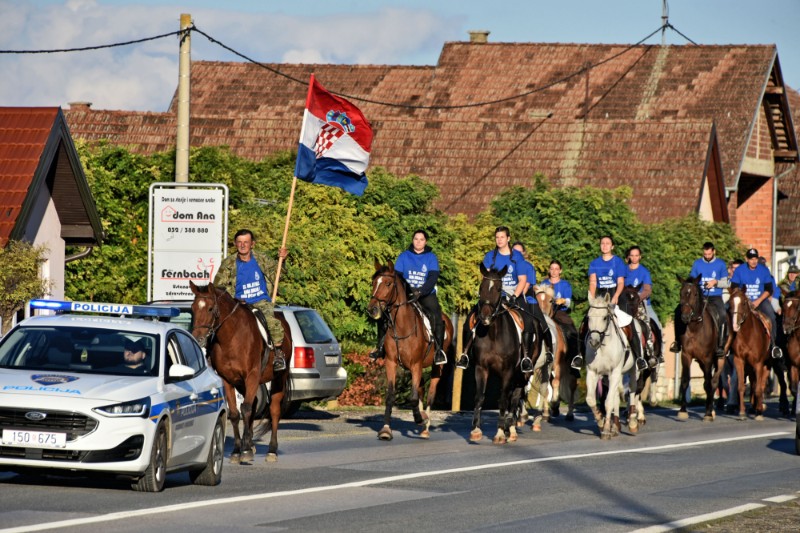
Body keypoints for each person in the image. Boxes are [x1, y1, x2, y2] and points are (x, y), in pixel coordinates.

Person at [456, 226, 534, 371]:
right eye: (497, 237)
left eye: (502, 237)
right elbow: (485, 278)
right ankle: (465, 354)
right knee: (470, 319)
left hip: (512, 293)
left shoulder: (517, 256)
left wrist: (515, 296)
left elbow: (522, 280)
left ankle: (526, 357)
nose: (499, 240)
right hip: (493, 294)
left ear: (508, 239)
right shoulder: (490, 256)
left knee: (528, 321)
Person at [214, 229, 288, 372]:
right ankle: (211, 354)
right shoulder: (228, 263)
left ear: (252, 244)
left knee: (272, 322)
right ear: (235, 244)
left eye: (246, 242)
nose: (242, 245)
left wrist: (282, 261)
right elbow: (218, 286)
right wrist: (232, 299)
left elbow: (278, 275)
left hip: (260, 301)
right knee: (217, 323)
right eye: (239, 242)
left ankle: (278, 354)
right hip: (237, 304)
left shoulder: (261, 259)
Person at [370, 230, 447, 365]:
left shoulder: (431, 257)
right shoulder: (404, 256)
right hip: (406, 295)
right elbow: (397, 277)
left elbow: (433, 277)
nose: (418, 242)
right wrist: (407, 292)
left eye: (421, 239)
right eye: (416, 239)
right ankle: (380, 347)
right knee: (384, 316)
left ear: (425, 242)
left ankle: (439, 351)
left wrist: (421, 291)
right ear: (412, 240)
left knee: (436, 314)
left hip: (426, 294)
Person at [571, 235, 629, 369]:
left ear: (612, 246)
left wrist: (615, 297)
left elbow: (620, 282)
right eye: (602, 243)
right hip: (600, 296)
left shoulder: (618, 262)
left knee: (629, 322)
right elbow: (593, 282)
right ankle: (580, 355)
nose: (605, 245)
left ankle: (638, 356)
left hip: (616, 294)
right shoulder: (595, 263)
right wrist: (591, 298)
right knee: (586, 321)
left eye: (608, 243)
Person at [671, 241, 728, 358]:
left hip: (715, 296)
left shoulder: (721, 264)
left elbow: (727, 282)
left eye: (709, 254)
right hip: (699, 298)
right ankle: (678, 342)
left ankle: (720, 345)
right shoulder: (697, 264)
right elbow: (692, 280)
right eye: (705, 254)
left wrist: (715, 282)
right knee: (678, 311)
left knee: (722, 314)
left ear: (713, 252)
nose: (707, 256)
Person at [730, 248, 782, 359]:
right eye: (751, 259)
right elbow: (734, 287)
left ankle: (773, 346)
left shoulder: (764, 270)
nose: (753, 261)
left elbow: (769, 289)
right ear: (746, 259)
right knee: (728, 313)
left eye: (755, 258)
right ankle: (726, 344)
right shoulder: (740, 270)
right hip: (743, 300)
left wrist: (758, 301)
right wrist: (744, 298)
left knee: (771, 317)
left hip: (760, 300)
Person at [513, 241, 555, 365]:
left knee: (542, 323)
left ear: (524, 254)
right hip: (510, 297)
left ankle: (549, 351)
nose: (516, 254)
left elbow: (525, 286)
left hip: (527, 299)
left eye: (519, 252)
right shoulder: (508, 265)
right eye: (514, 252)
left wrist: (516, 298)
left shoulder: (528, 267)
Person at [625, 246, 663, 367]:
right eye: (632, 255)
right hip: (625, 304)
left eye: (637, 255)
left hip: (643, 304)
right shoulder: (623, 271)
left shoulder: (644, 272)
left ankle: (655, 354)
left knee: (657, 325)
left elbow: (647, 290)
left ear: (640, 257)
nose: (634, 257)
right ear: (629, 257)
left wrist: (636, 297)